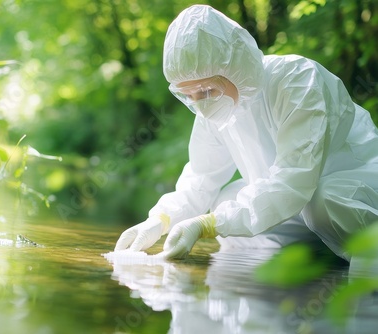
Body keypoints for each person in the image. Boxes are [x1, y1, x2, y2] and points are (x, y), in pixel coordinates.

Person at [114, 5, 378, 261]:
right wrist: (160, 220)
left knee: (323, 201)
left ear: (235, 66)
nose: (200, 104)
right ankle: (296, 269)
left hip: (351, 189)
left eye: (205, 91)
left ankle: (368, 262)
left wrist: (208, 224)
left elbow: (293, 180)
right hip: (294, 202)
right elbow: (202, 177)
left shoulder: (298, 81)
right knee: (223, 204)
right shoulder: (213, 111)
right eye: (189, 96)